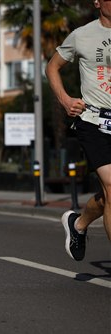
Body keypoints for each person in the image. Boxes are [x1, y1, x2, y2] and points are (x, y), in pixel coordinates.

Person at [46, 0, 111, 261]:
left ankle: (79, 223)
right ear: (97, 2)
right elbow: (52, 66)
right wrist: (65, 100)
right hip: (94, 121)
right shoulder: (81, 35)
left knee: (107, 196)